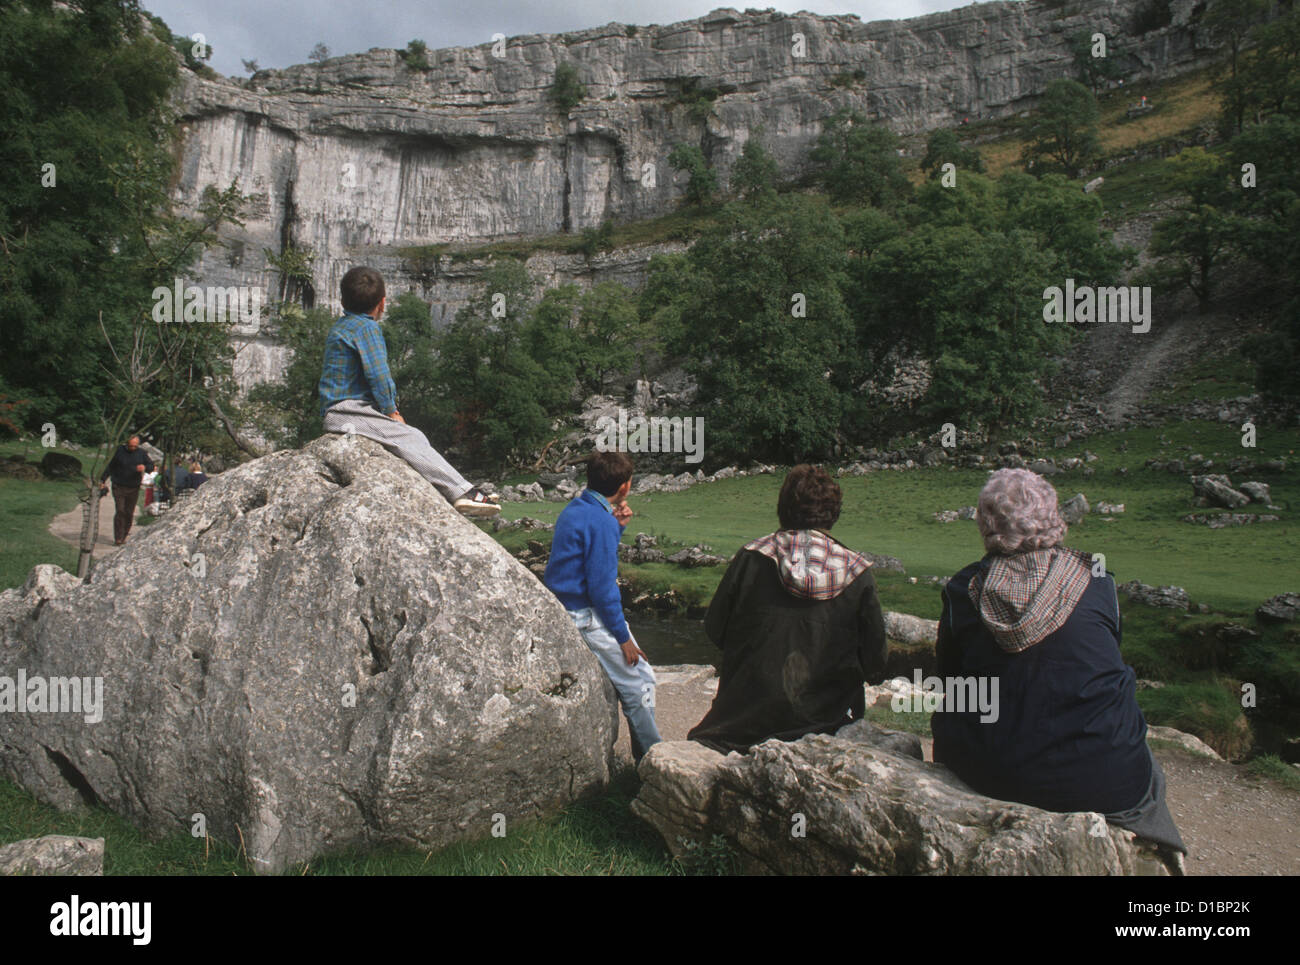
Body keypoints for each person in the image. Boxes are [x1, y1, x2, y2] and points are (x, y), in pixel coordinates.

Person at [932, 468, 1186, 859]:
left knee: (953, 706)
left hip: (995, 772)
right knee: (1140, 749)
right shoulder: (1097, 579)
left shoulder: (963, 590)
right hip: (1107, 779)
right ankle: (1156, 846)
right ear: (1053, 515)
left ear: (986, 524)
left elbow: (951, 681)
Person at [688, 464, 888, 754]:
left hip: (740, 724)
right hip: (824, 726)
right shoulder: (858, 574)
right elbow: (875, 664)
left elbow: (715, 630)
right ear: (833, 513)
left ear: (783, 508)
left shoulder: (751, 558)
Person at [318, 266, 499, 518]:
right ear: (382, 303)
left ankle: (455, 487)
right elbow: (378, 375)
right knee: (409, 437)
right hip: (348, 411)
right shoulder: (367, 329)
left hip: (341, 410)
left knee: (410, 436)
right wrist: (391, 410)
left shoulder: (340, 327)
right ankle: (461, 492)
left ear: (342, 301)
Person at [543, 451, 661, 761]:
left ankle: (646, 749)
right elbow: (602, 588)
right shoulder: (601, 521)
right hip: (583, 614)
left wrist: (617, 527)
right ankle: (652, 759)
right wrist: (623, 638)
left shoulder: (579, 508)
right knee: (641, 682)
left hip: (570, 604)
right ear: (624, 487)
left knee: (643, 676)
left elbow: (590, 555)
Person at [99, 434, 153, 545]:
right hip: (119, 485)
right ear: (127, 444)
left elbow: (151, 466)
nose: (132, 448)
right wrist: (102, 480)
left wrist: (145, 467)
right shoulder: (119, 451)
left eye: (135, 446)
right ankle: (118, 537)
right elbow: (109, 466)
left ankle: (124, 535)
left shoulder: (142, 453)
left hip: (133, 487)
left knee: (129, 512)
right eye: (131, 446)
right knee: (120, 510)